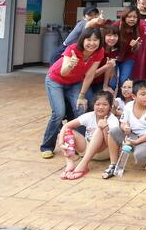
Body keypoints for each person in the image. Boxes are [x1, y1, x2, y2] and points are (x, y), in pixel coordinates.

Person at [41, 27, 105, 159]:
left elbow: (90, 75)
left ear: (100, 41)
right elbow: (63, 72)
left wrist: (82, 96)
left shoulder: (99, 52)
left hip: (75, 83)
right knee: (59, 113)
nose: (92, 43)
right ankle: (47, 146)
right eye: (88, 39)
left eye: (95, 40)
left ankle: (79, 146)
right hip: (55, 80)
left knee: (80, 109)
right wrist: (71, 64)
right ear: (83, 40)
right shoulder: (73, 49)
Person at [57, 90, 119, 180]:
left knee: (100, 129)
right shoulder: (89, 115)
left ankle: (83, 165)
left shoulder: (113, 120)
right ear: (93, 105)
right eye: (97, 104)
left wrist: (105, 127)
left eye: (105, 104)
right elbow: (66, 126)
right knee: (67, 131)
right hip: (86, 150)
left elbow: (111, 144)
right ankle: (70, 164)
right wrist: (61, 143)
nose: (100, 107)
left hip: (103, 152)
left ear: (110, 107)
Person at [105, 80, 146, 177]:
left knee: (140, 157)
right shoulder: (129, 106)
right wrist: (125, 127)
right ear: (134, 96)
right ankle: (113, 164)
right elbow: (122, 123)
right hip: (132, 135)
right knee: (113, 131)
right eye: (143, 94)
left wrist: (136, 142)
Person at [113, 8, 145, 88]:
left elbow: (136, 49)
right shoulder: (117, 25)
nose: (132, 19)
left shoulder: (140, 27)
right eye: (129, 16)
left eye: (135, 17)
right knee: (112, 82)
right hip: (114, 56)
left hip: (128, 56)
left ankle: (122, 95)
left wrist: (135, 46)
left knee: (124, 80)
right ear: (124, 17)